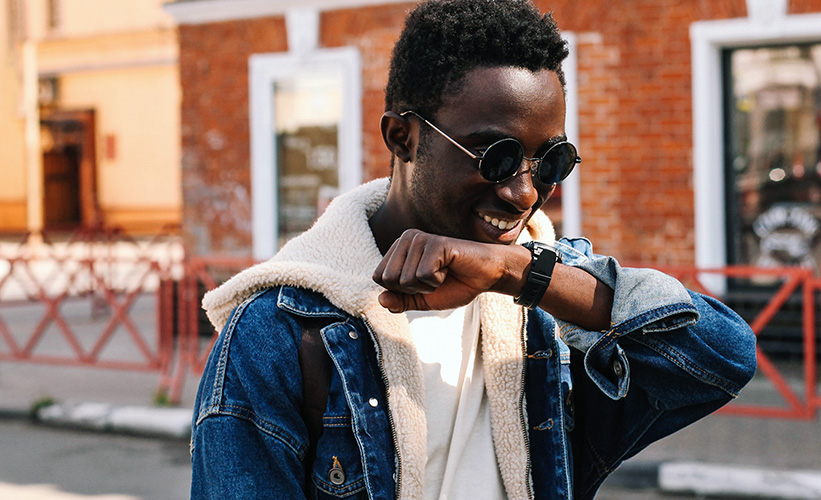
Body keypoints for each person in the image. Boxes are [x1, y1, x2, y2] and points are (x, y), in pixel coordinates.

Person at [189, 0, 757, 498]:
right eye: (496, 156)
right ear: (401, 137)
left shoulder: (552, 305)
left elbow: (723, 355)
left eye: (551, 161)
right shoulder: (279, 333)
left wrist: (520, 275)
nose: (524, 192)